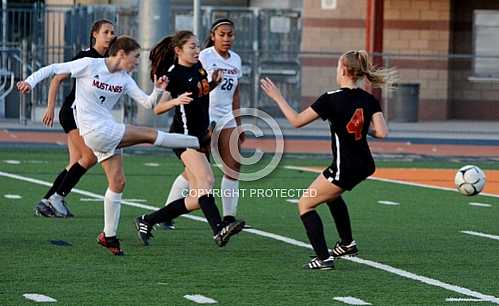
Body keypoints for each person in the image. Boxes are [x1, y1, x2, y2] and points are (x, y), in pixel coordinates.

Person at [17, 35, 200, 256]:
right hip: (97, 131)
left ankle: (108, 236)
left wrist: (158, 89)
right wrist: (29, 81)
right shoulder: (89, 64)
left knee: (118, 182)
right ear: (121, 54)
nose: (136, 63)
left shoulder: (125, 79)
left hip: (106, 131)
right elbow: (53, 68)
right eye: (135, 57)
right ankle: (198, 140)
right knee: (149, 135)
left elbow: (148, 104)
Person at [260, 50, 395, 270]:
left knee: (305, 204)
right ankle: (347, 243)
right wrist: (360, 127)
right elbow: (382, 132)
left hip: (346, 166)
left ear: (343, 68)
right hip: (365, 163)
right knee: (332, 196)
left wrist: (277, 97)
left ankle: (323, 258)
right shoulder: (369, 98)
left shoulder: (331, 98)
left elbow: (296, 121)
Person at [134, 31, 245, 248]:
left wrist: (212, 84)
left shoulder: (199, 68)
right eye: (192, 47)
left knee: (197, 197)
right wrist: (176, 101)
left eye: (196, 46)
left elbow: (200, 92)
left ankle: (148, 220)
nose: (196, 51)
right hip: (183, 137)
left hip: (199, 135)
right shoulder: (173, 74)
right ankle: (219, 230)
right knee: (207, 182)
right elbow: (158, 108)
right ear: (178, 51)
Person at [162, 18, 244, 230]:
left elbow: (235, 91)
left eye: (230, 34)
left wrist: (239, 121)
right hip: (205, 118)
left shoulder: (236, 59)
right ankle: (167, 212)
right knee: (194, 173)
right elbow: (195, 87)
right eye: (222, 34)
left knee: (234, 165)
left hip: (227, 118)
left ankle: (228, 218)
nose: (227, 38)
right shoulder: (204, 56)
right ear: (213, 36)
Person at [34, 19, 115, 218]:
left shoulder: (109, 60)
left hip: (85, 116)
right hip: (72, 113)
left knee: (75, 162)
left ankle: (46, 202)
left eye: (112, 32)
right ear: (94, 34)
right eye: (106, 32)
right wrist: (50, 108)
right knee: (89, 157)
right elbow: (56, 78)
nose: (110, 36)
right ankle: (57, 198)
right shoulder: (86, 57)